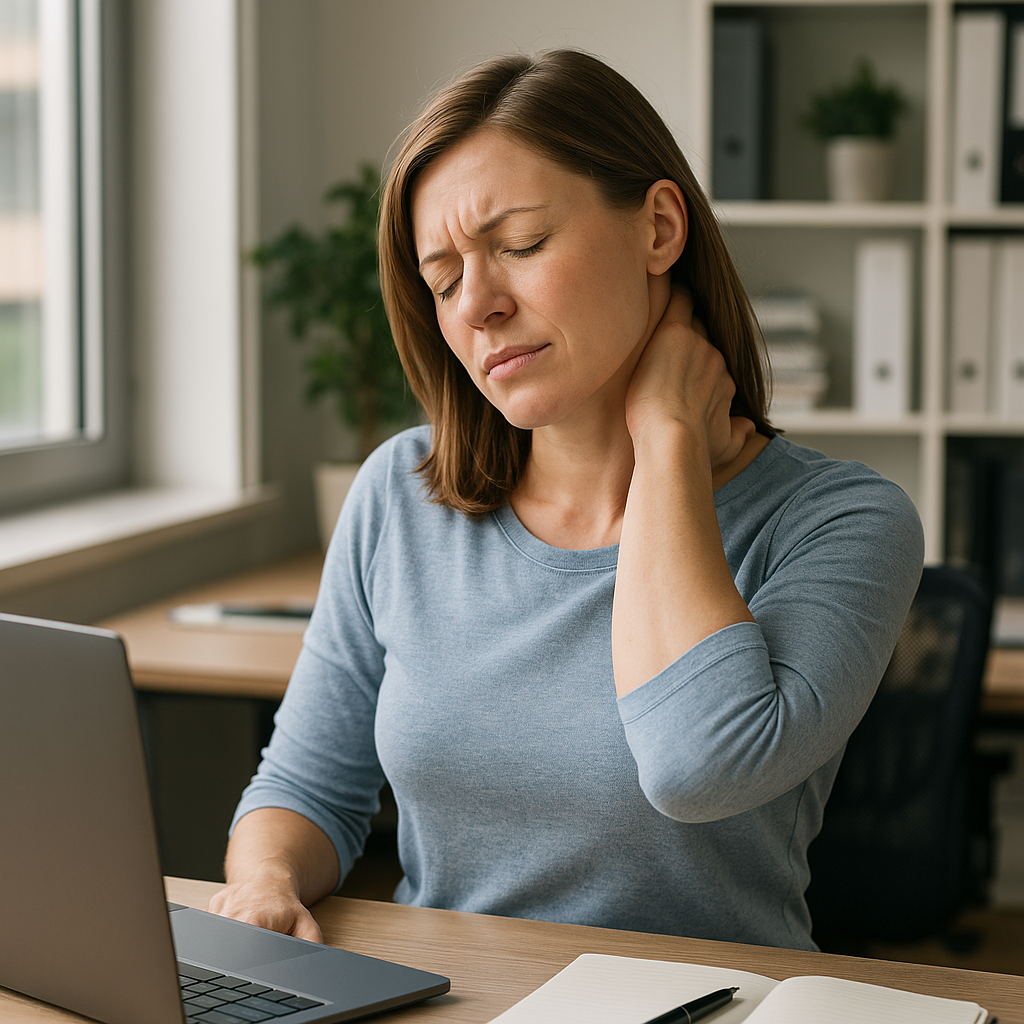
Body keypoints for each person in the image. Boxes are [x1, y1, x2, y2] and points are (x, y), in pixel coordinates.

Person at [210, 49, 924, 952]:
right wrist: (265, 885)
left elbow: (699, 767)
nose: (478, 306)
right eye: (444, 280)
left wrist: (667, 434)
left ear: (659, 228)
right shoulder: (399, 492)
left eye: (520, 246)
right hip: (453, 1003)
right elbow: (305, 786)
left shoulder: (843, 520)